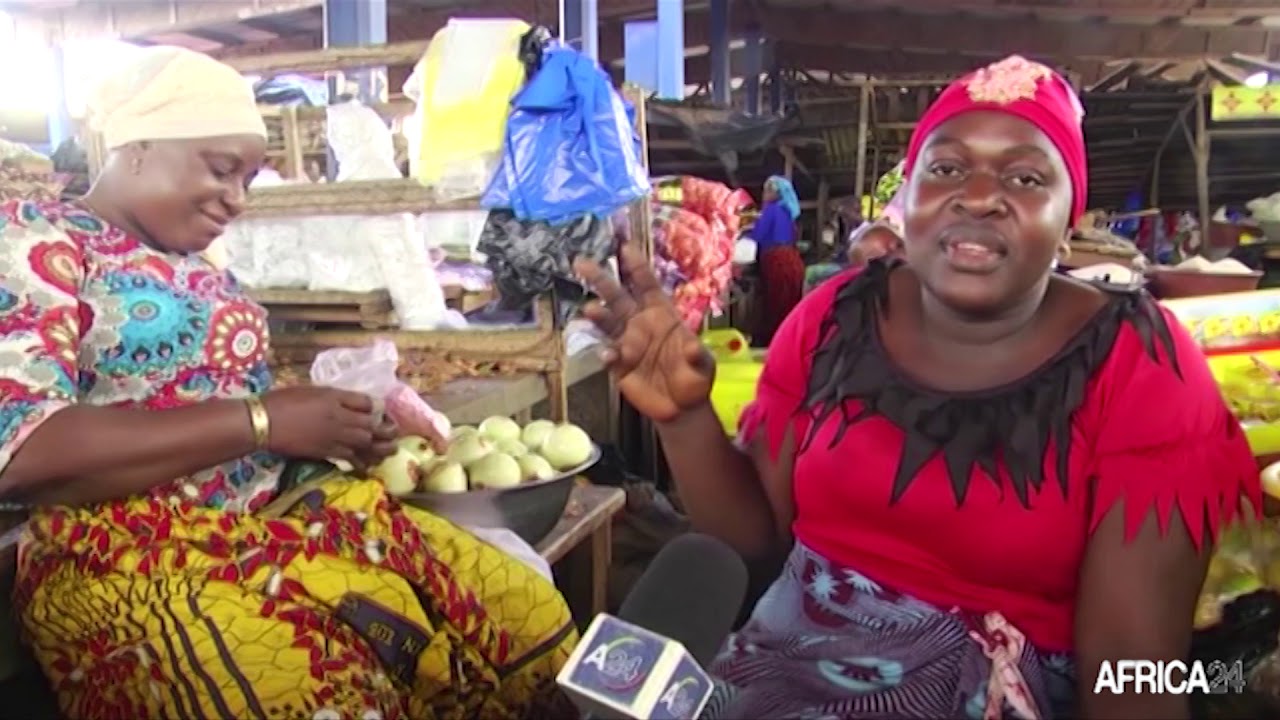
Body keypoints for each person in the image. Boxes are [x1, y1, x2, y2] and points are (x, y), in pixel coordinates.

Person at [576, 55, 1260, 719]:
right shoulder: (832, 318)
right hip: (773, 673)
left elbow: (1129, 672)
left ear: (1070, 218)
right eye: (947, 167)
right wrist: (685, 420)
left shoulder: (1140, 363)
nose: (981, 195)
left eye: (1025, 177)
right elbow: (756, 548)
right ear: (909, 198)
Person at [0, 47, 576, 720]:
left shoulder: (201, 263)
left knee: (518, 609)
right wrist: (264, 421)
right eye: (222, 169)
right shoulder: (40, 240)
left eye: (249, 176)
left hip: (282, 514)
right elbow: (24, 451)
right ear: (137, 147)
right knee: (299, 692)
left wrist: (342, 423)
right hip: (125, 554)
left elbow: (218, 393)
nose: (238, 198)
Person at [751, 175, 805, 345]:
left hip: (777, 259)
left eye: (768, 190)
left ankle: (777, 339)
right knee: (789, 301)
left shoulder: (771, 209)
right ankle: (790, 337)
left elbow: (758, 235)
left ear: (777, 193)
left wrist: (745, 233)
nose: (764, 194)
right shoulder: (787, 211)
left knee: (776, 302)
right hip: (791, 258)